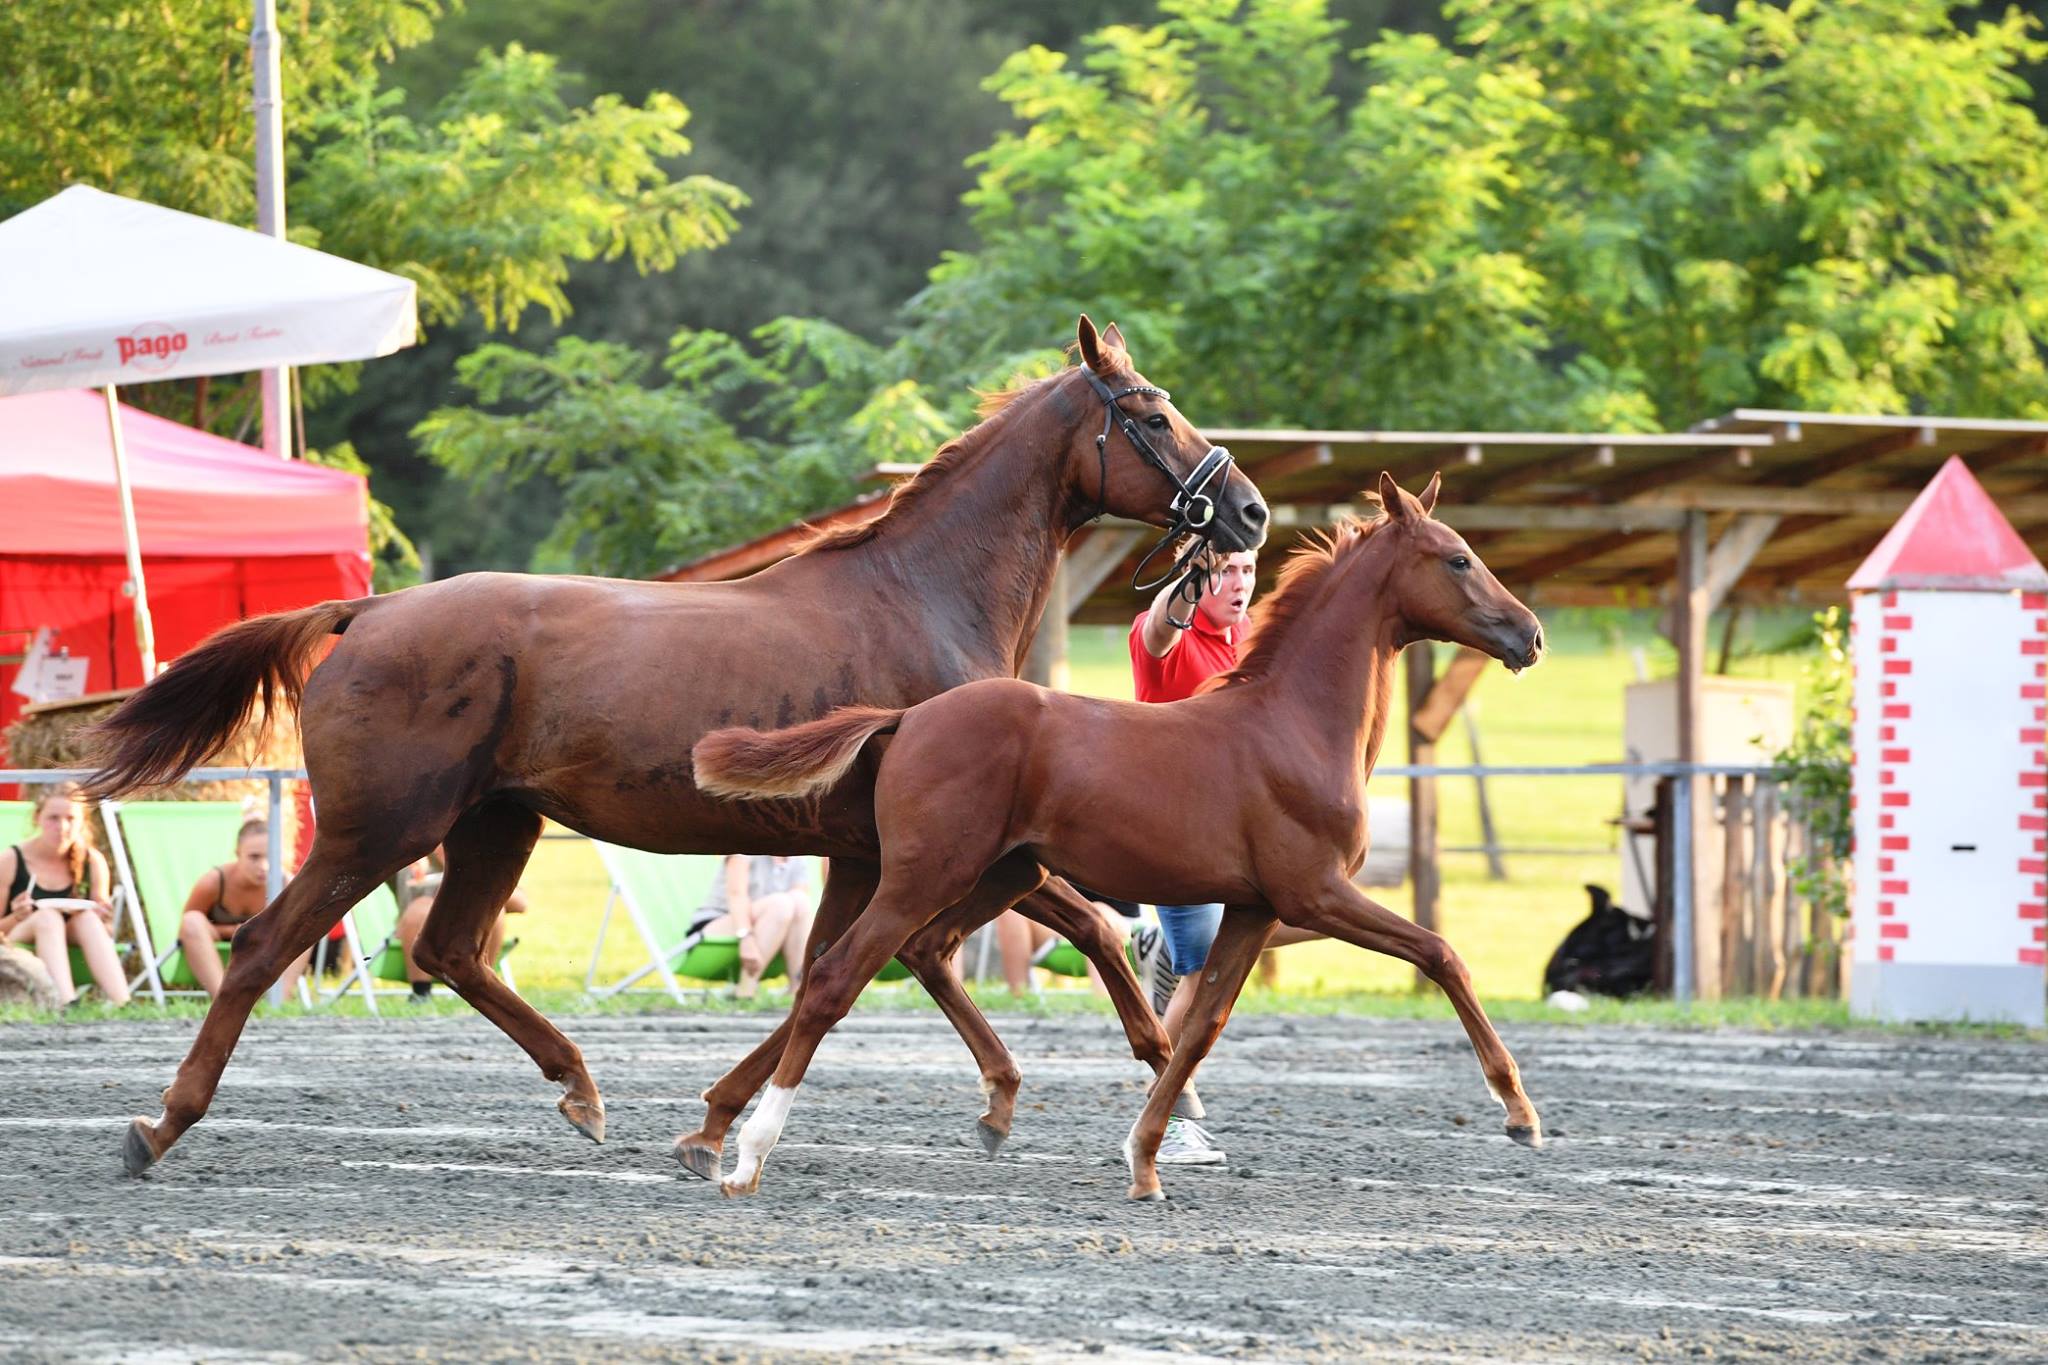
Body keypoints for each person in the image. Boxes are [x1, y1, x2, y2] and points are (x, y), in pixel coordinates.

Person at [1127, 546, 1323, 1166]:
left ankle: (1151, 942)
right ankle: (1173, 1124)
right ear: (1196, 574)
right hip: (1171, 832)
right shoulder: (1166, 634)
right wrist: (1190, 569)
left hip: (1237, 837)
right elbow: (1159, 629)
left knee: (1322, 913)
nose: (1240, 583)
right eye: (1225, 570)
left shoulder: (1249, 638)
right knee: (1202, 978)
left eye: (1247, 569)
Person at [0, 783, 130, 1007]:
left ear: (82, 823)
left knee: (88, 919)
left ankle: (122, 1001)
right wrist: (18, 916)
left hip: (71, 938)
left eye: (70, 818)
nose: (62, 827)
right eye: (53, 818)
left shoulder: (91, 860)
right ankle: (66, 1002)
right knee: (47, 917)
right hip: (17, 940)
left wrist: (103, 917)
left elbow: (106, 932)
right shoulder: (11, 859)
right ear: (37, 818)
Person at [178, 817, 310, 1000]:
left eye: (271, 856)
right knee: (192, 920)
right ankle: (224, 1001)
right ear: (238, 853)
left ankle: (279, 1000)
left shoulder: (284, 883)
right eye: (254, 857)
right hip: (215, 955)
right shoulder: (213, 882)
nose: (264, 866)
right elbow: (185, 930)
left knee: (305, 921)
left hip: (263, 956)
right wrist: (233, 931)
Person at [394, 847, 526, 1002]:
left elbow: (521, 903)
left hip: (469, 937)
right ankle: (421, 993)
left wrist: (468, 873)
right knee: (420, 908)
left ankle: (482, 988)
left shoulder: (481, 854)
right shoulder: (414, 855)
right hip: (418, 936)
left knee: (491, 910)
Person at [691, 855, 815, 998]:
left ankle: (798, 991)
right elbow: (736, 895)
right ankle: (745, 991)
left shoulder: (798, 857)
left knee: (800, 900)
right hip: (719, 926)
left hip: (772, 928)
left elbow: (801, 904)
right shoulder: (743, 849)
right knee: (781, 904)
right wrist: (746, 937)